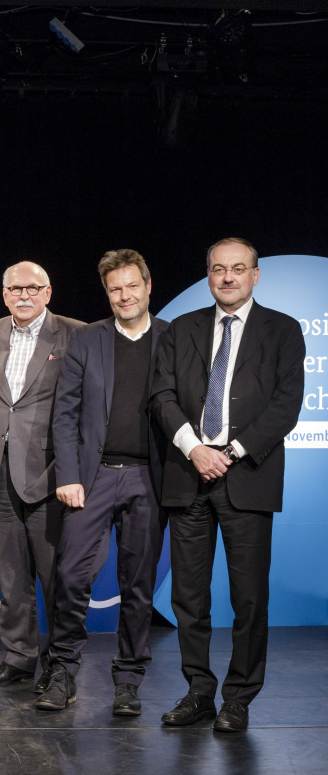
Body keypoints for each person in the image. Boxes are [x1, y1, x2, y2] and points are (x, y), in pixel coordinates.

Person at [151, 237, 304, 733]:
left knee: (249, 598)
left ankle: (238, 698)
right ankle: (199, 690)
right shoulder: (181, 330)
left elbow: (285, 406)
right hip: (188, 475)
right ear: (208, 274)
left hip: (248, 479)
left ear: (255, 275)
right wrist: (195, 449)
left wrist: (230, 453)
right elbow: (163, 396)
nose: (228, 277)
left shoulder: (282, 330)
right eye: (219, 269)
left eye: (238, 269)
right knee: (188, 599)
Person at [39, 250, 168, 714]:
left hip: (149, 481)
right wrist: (68, 476)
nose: (124, 295)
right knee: (71, 576)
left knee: (137, 585)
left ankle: (129, 680)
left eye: (131, 285)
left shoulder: (174, 339)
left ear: (148, 285)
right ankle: (63, 672)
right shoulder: (87, 339)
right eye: (115, 289)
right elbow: (65, 414)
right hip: (91, 480)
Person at [0, 262, 84, 693]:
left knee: (55, 574)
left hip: (51, 474)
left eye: (32, 288)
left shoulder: (75, 333)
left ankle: (60, 662)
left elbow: (84, 408)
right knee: (12, 575)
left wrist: (71, 470)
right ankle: (19, 656)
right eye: (15, 288)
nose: (23, 295)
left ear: (48, 292)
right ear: (3, 294)